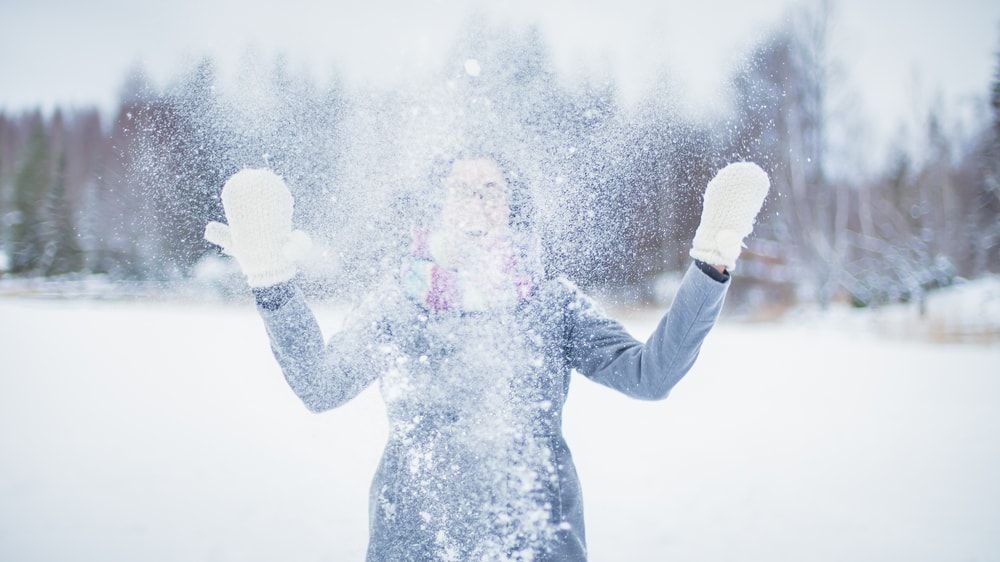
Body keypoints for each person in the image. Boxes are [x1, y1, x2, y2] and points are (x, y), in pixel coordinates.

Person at [204, 156, 769, 561]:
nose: (475, 197)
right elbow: (320, 386)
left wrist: (710, 265)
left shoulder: (551, 300)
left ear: (511, 207)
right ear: (438, 206)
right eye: (460, 187)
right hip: (414, 544)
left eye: (491, 187)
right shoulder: (400, 301)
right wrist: (271, 281)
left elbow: (651, 375)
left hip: (538, 544)